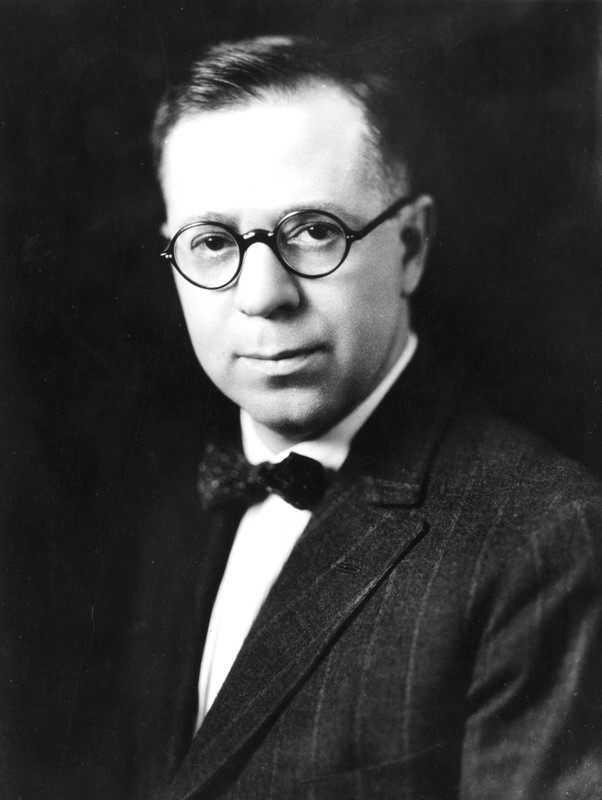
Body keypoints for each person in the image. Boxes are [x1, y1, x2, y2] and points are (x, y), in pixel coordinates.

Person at [66, 34, 602, 800]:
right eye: (212, 242)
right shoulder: (171, 520)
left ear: (411, 244)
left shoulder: (547, 540)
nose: (261, 295)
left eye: (315, 230)